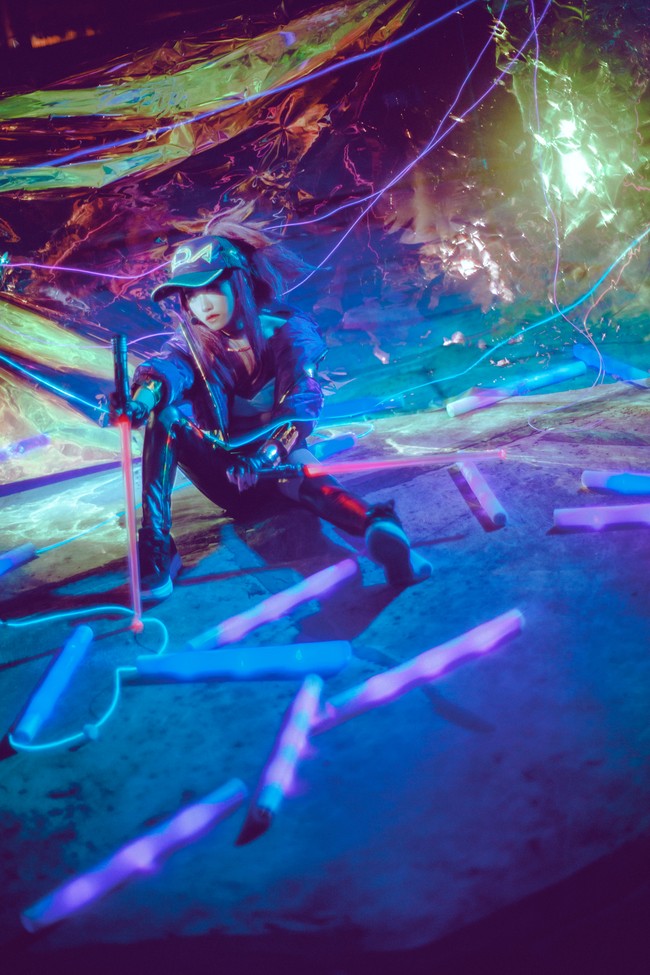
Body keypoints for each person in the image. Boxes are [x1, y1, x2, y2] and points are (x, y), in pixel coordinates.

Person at [113, 220, 431, 601]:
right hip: (228, 475)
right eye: (191, 295)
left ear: (240, 281)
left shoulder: (289, 331)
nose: (203, 304)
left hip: (279, 463)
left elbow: (301, 406)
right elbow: (168, 369)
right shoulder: (193, 344)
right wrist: (139, 401)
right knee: (163, 416)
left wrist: (264, 458)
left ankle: (379, 529)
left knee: (315, 483)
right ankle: (156, 545)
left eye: (212, 287)